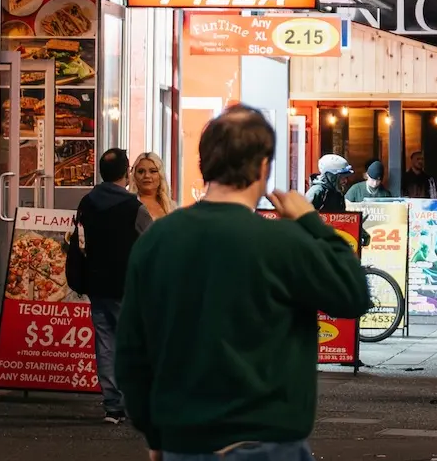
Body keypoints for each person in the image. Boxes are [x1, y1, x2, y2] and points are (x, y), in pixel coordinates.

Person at [117, 106, 372, 460]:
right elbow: (353, 295)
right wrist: (313, 224)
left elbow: (132, 351)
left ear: (204, 163)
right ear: (264, 168)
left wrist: (154, 432)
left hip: (184, 438)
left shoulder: (157, 242)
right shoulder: (284, 242)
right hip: (268, 438)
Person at [74, 148, 152, 424]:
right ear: (126, 172)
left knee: (105, 342)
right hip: (127, 286)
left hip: (96, 284)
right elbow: (154, 241)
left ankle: (112, 405)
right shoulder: (134, 207)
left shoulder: (87, 202)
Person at [131, 152, 173, 221]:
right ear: (134, 175)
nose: (147, 175)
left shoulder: (171, 207)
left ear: (160, 175)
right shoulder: (128, 206)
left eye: (153, 171)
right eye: (141, 172)